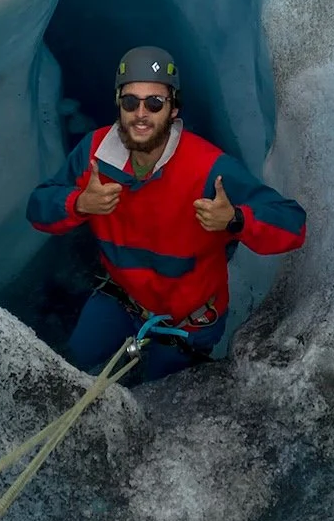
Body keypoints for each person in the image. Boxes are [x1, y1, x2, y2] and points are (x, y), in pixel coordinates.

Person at [26, 45, 307, 382]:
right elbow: (38, 209)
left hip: (186, 324)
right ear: (118, 102)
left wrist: (235, 219)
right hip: (120, 301)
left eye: (155, 103)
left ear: (173, 109)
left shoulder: (207, 168)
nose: (141, 113)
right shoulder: (94, 153)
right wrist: (78, 204)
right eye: (131, 101)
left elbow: (293, 223)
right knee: (66, 374)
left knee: (159, 402)